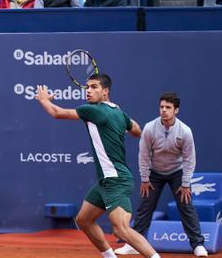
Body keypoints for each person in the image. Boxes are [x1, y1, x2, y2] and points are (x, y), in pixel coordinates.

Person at [35, 75, 158, 258]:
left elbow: (57, 113)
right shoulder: (117, 111)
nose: (89, 91)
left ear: (105, 91)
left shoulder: (93, 110)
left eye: (94, 87)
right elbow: (136, 130)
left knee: (121, 230)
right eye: (87, 87)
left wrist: (43, 99)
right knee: (84, 220)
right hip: (105, 181)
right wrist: (115, 123)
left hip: (114, 180)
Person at [114, 93, 207, 257]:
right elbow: (143, 155)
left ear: (176, 110)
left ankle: (197, 245)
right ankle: (134, 245)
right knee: (145, 207)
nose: (164, 110)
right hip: (154, 173)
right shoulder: (150, 128)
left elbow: (189, 159)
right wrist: (145, 178)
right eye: (162, 107)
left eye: (168, 107)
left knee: (186, 206)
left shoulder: (185, 131)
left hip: (177, 172)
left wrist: (185, 183)